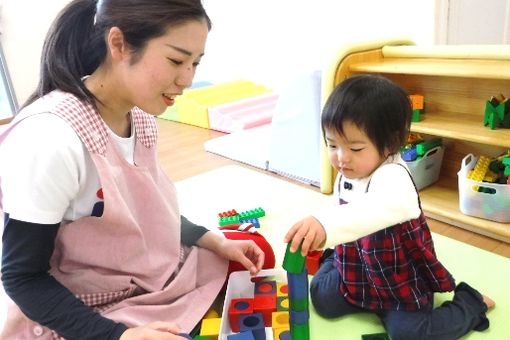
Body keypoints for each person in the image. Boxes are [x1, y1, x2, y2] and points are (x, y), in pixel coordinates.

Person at [0, 0, 274, 339]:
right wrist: (119, 336)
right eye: (176, 60)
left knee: (253, 254)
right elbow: (22, 277)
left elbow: (147, 211)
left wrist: (212, 240)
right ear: (118, 44)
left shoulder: (141, 116)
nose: (187, 79)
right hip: (87, 309)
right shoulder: (51, 138)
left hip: (144, 277)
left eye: (195, 63)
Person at [284, 74, 495, 340]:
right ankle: (333, 260)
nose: (341, 158)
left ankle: (471, 304)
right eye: (332, 144)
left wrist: (326, 227)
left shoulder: (395, 177)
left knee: (409, 335)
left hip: (398, 280)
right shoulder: (349, 171)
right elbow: (338, 204)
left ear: (390, 145)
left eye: (356, 148)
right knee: (321, 299)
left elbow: (371, 211)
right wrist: (318, 221)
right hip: (357, 269)